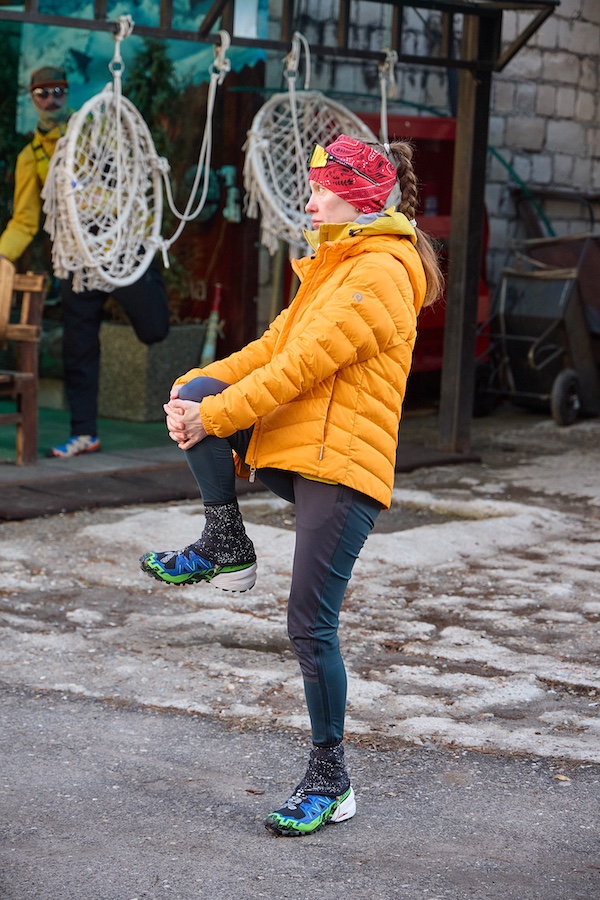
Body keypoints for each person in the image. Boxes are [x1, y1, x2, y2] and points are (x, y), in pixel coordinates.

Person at [139, 134, 444, 836]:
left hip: (343, 471)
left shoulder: (382, 271)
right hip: (300, 448)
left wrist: (213, 418)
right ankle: (225, 540)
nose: (308, 202)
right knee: (200, 388)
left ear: (356, 199)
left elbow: (299, 367)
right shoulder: (336, 264)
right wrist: (194, 392)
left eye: (320, 191)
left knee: (310, 625)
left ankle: (331, 780)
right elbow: (272, 347)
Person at [0, 65, 170, 458]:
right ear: (32, 98)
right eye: (42, 93)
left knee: (154, 329)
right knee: (78, 347)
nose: (51, 100)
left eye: (58, 91)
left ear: (67, 93)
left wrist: (142, 234)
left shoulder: (92, 130)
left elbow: (131, 178)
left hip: (117, 245)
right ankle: (84, 432)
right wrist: (3, 255)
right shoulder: (31, 156)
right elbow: (25, 220)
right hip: (77, 257)